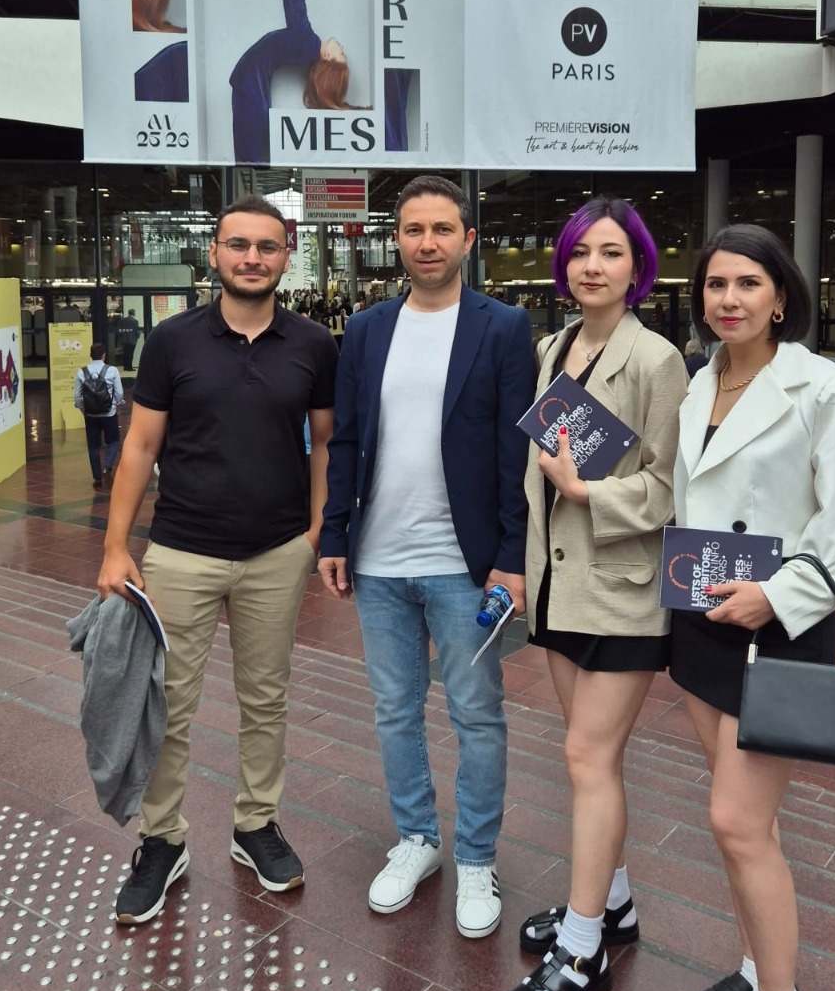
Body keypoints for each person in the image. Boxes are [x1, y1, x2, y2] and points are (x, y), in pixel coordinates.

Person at [669, 223, 835, 991]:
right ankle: (757, 971)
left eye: (748, 283)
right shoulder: (697, 380)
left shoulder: (822, 386)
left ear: (781, 296)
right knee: (742, 829)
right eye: (716, 284)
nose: (730, 299)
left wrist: (776, 598)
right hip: (703, 621)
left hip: (777, 624)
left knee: (737, 822)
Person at [98, 194, 339, 925]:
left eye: (267, 247)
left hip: (276, 553)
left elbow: (326, 441)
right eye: (239, 245)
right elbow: (140, 445)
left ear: (286, 256)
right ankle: (162, 841)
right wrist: (115, 546)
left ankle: (255, 824)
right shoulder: (172, 341)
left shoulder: (313, 345)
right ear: (215, 253)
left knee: (266, 700)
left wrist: (317, 528)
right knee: (167, 704)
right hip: (180, 551)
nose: (252, 258)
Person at [318, 175, 535, 939]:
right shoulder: (368, 328)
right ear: (397, 240)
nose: (428, 242)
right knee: (394, 708)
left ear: (468, 240)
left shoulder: (503, 326)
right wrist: (335, 534)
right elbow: (347, 437)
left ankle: (476, 855)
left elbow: (515, 450)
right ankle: (417, 838)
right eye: (414, 229)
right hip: (379, 561)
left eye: (443, 229)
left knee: (476, 712)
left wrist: (512, 556)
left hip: (464, 566)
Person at [497, 199, 687, 991]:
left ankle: (583, 952)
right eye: (580, 252)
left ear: (637, 267)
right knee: (587, 759)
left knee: (587, 756)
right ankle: (614, 904)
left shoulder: (657, 359)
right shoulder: (555, 347)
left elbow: (672, 486)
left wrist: (587, 492)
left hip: (622, 587)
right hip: (560, 585)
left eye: (611, 253)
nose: (592, 266)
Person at [230, 0, 410, 163]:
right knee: (249, 151)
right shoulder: (307, 44)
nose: (342, 47)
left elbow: (296, 3)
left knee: (248, 153)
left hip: (250, 82)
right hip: (251, 82)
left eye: (341, 54)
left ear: (327, 57)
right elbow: (291, 4)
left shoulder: (308, 43)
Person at [74, 344, 125, 490]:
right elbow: (119, 393)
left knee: (93, 445)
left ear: (90, 355)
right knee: (113, 441)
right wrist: (117, 405)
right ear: (104, 355)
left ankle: (97, 478)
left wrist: (83, 409)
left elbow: (77, 397)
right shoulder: (112, 370)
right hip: (109, 413)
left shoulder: (82, 372)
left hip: (91, 414)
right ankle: (107, 467)